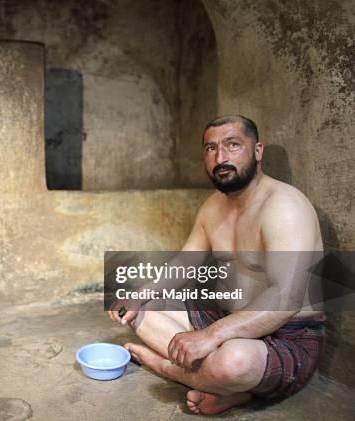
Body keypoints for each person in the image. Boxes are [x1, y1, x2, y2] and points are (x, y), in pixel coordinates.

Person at [108, 115, 325, 414]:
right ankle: (232, 389)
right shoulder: (212, 207)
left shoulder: (285, 206)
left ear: (258, 151)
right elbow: (186, 261)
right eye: (210, 148)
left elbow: (287, 298)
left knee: (233, 362)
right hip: (225, 317)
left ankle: (168, 368)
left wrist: (210, 337)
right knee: (136, 311)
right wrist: (139, 294)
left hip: (287, 336)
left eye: (232, 145)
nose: (220, 157)